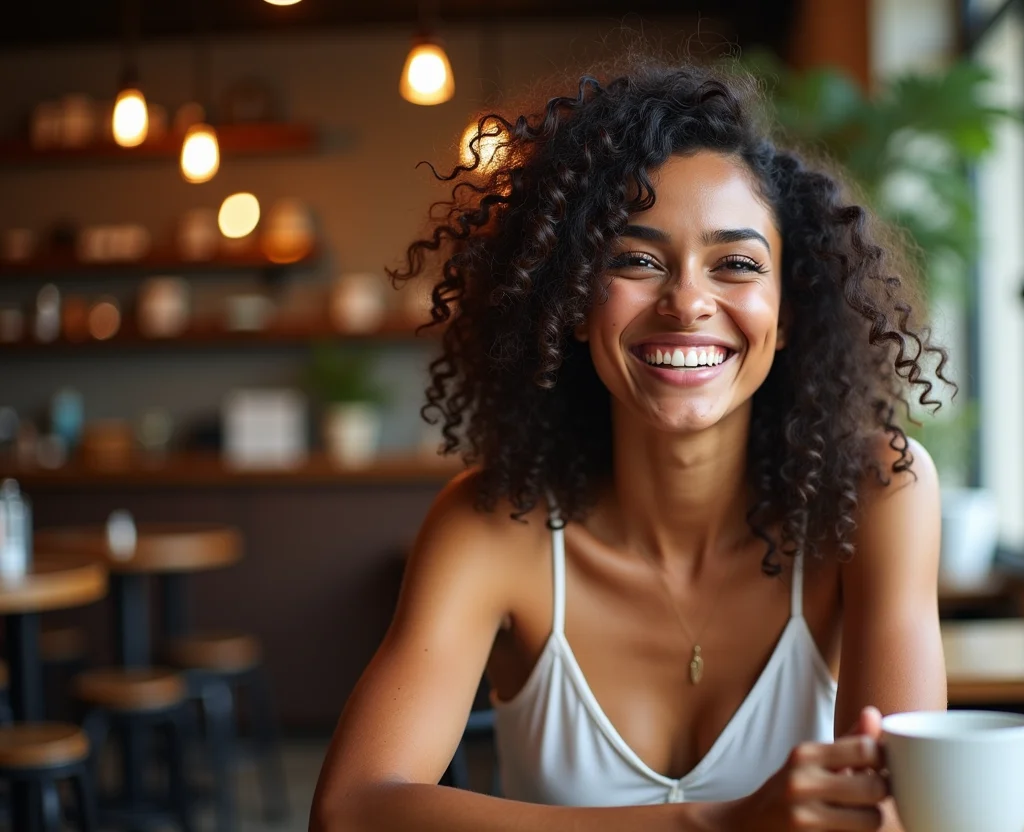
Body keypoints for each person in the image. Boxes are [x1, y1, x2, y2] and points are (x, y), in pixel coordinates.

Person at [311, 54, 949, 832]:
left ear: (786, 318)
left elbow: (902, 815)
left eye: (736, 264)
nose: (687, 301)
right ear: (572, 303)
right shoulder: (488, 527)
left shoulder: (875, 490)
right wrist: (718, 825)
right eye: (637, 260)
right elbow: (348, 811)